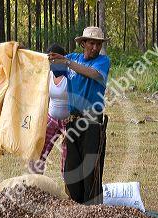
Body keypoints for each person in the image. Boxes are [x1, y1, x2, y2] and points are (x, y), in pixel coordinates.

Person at [48, 27, 110, 205]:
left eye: (98, 44)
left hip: (92, 123)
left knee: (90, 170)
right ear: (83, 43)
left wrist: (66, 62)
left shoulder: (103, 61)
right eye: (91, 43)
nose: (95, 48)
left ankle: (92, 211)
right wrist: (49, 58)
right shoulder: (73, 58)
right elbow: (54, 69)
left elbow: (93, 74)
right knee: (71, 169)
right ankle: (76, 208)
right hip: (73, 121)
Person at [29, 44, 69, 175]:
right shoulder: (48, 74)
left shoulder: (71, 75)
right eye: (49, 59)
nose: (52, 62)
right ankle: (35, 184)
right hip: (51, 117)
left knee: (68, 154)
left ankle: (68, 187)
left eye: (55, 59)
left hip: (68, 121)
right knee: (40, 149)